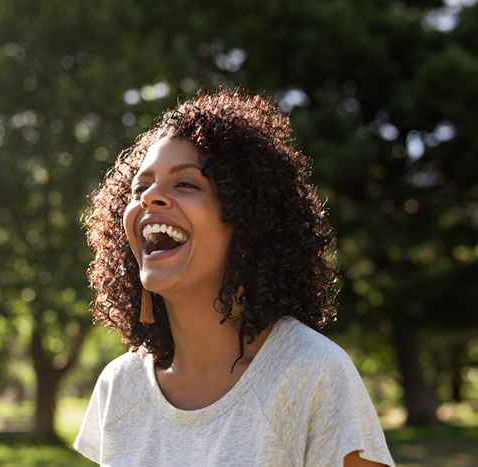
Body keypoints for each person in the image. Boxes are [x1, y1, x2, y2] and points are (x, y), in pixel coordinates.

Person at [74, 87, 396, 467]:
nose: (149, 198)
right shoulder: (120, 386)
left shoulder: (312, 372)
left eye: (186, 184)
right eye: (139, 187)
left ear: (246, 220)